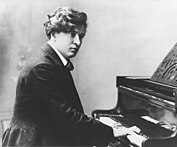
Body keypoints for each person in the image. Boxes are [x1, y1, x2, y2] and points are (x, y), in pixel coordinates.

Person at [2, 7, 136, 146]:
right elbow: (65, 116)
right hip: (32, 142)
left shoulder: (51, 61)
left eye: (81, 36)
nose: (78, 42)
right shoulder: (41, 67)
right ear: (54, 34)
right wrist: (110, 132)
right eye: (72, 34)